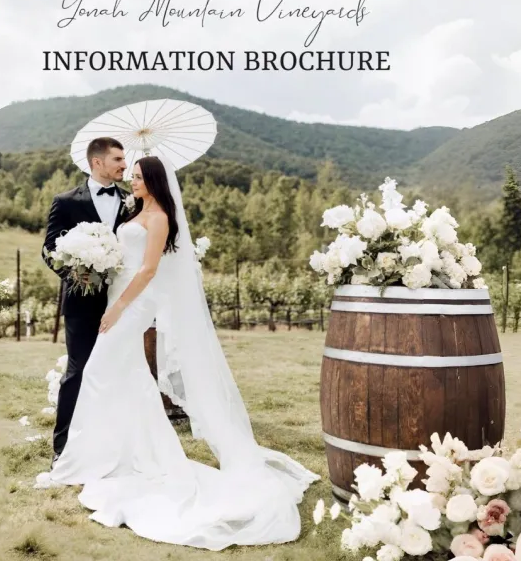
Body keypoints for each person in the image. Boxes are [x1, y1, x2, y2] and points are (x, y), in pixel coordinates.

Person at [37, 156, 319, 551]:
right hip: (117, 297)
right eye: (129, 175)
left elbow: (150, 269)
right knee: (126, 375)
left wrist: (119, 308)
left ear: (153, 180)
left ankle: (101, 456)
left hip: (134, 304)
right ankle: (119, 453)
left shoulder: (160, 218)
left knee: (100, 372)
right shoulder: (135, 210)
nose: (131, 182)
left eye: (137, 176)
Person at [41, 137, 129, 464]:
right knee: (78, 371)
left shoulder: (132, 202)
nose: (124, 165)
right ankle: (63, 449)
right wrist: (77, 275)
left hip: (122, 301)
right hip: (80, 302)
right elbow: (49, 248)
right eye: (118, 159)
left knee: (118, 371)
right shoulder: (65, 202)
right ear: (97, 162)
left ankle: (109, 442)